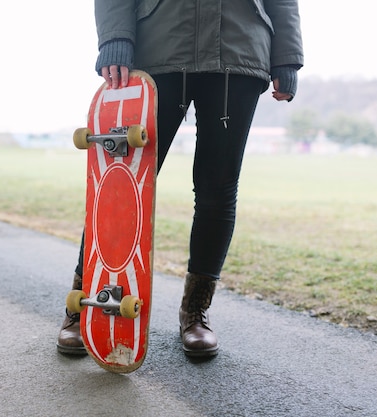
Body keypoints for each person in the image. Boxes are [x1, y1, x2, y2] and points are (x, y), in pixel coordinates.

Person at [58, 0, 304, 358]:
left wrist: (286, 54)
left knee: (217, 190)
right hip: (159, 42)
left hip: (238, 49)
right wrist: (115, 36)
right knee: (120, 186)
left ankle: (195, 313)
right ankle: (85, 304)